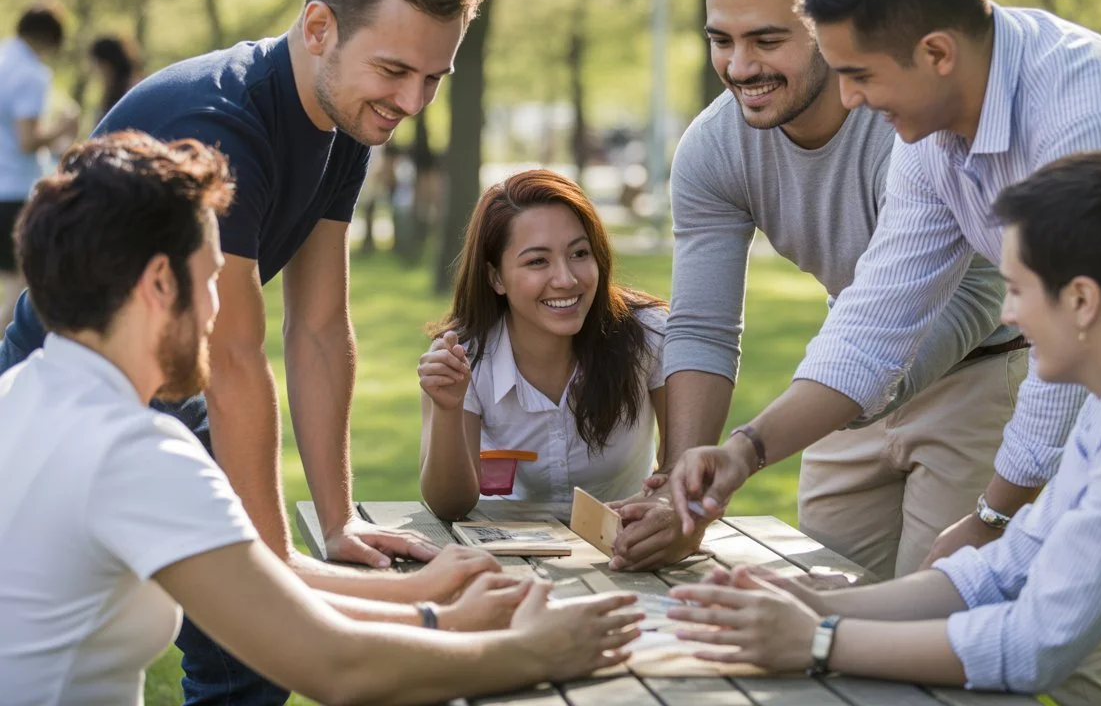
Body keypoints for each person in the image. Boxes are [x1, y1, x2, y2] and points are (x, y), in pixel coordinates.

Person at [0, 0, 497, 705]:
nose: (411, 100)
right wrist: (277, 562)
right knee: (252, 647)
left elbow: (320, 326)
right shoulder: (223, 122)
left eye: (434, 79)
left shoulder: (346, 120)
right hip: (81, 380)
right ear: (319, 28)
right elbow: (232, 356)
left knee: (258, 654)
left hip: (176, 377)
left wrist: (338, 523)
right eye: (397, 70)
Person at [0, 132, 641, 706]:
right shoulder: (134, 452)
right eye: (214, 277)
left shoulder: (22, 395)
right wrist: (542, 648)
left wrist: (431, 600)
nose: (221, 306)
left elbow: (266, 589)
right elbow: (334, 667)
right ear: (161, 284)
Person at [668, 0, 1101, 563]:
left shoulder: (1081, 118)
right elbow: (876, 318)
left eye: (861, 75)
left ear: (936, 53)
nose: (850, 99)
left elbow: (1070, 342)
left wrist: (992, 513)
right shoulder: (931, 136)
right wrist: (745, 450)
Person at [667, 151, 1101, 705]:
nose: (1007, 314)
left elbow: (1035, 646)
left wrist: (818, 640)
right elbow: (1005, 570)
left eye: (1018, 289)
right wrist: (809, 601)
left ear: (1081, 301)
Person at [609, 0, 1025, 588]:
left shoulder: (904, 123)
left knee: (951, 624)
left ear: (828, 23)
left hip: (982, 378)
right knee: (824, 623)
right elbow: (703, 329)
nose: (741, 67)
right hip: (841, 387)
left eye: (767, 40)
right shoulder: (713, 151)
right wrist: (682, 494)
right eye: (721, 40)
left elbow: (977, 292)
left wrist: (836, 397)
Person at [419, 169, 668, 522]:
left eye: (579, 253)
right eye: (537, 261)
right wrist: (448, 407)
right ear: (496, 277)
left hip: (624, 550)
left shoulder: (651, 337)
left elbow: (680, 472)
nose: (566, 280)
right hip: (505, 557)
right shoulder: (463, 358)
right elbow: (449, 505)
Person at [0, 1, 78, 331]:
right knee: (27, 280)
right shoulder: (31, 73)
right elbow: (26, 139)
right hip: (17, 190)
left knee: (11, 279)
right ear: (48, 39)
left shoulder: (3, 56)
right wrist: (65, 126)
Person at [88, 34, 142, 124]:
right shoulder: (110, 91)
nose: (93, 70)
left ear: (106, 64)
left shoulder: (132, 90)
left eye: (96, 64)